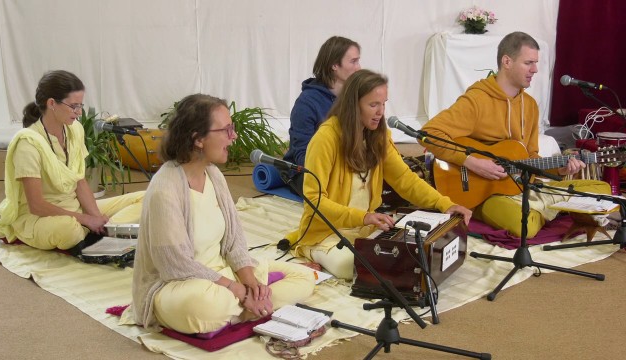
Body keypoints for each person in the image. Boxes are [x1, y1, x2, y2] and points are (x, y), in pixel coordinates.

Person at [131, 93, 315, 334]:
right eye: (226, 130)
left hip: (222, 276)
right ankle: (249, 308)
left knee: (304, 278)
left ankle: (246, 309)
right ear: (198, 139)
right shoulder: (165, 189)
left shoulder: (214, 175)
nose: (234, 136)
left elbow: (234, 241)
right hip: (181, 286)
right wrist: (236, 288)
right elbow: (175, 266)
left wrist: (249, 281)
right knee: (206, 306)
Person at [283, 69, 472, 280]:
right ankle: (307, 250)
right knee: (354, 266)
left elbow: (404, 179)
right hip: (326, 232)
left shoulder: (379, 136)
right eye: (373, 105)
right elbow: (314, 201)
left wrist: (444, 204)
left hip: (366, 227)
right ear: (353, 105)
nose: (380, 112)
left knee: (406, 254)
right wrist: (363, 217)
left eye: (383, 104)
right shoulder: (325, 138)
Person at [421, 31, 610, 238]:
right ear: (507, 61)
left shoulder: (529, 106)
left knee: (603, 189)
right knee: (523, 226)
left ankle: (548, 205)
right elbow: (428, 134)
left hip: (519, 185)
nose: (535, 70)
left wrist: (560, 169)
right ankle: (558, 205)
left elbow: (530, 158)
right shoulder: (476, 101)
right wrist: (471, 162)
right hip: (485, 196)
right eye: (529, 63)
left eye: (536, 63)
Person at [0, 70, 144, 251]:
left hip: (75, 207)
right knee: (70, 230)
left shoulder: (75, 130)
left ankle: (100, 233)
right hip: (41, 217)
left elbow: (79, 181)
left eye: (81, 106)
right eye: (74, 106)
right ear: (52, 103)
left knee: (145, 198)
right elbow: (36, 205)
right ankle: (92, 234)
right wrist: (85, 219)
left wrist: (97, 218)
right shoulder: (28, 143)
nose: (79, 112)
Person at [283, 36, 361, 192]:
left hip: (344, 166)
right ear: (334, 65)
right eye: (353, 62)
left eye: (358, 61)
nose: (359, 68)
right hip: (308, 171)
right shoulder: (306, 104)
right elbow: (302, 155)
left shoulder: (356, 97)